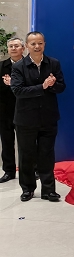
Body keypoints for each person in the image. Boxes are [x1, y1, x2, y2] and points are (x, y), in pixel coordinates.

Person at [11, 31, 66, 202]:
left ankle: (48, 190)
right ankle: (27, 189)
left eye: (40, 43)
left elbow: (62, 87)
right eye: (33, 43)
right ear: (26, 46)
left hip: (48, 117)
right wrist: (42, 87)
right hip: (25, 119)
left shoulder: (53, 63)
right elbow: (18, 91)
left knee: (47, 155)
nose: (37, 46)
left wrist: (53, 85)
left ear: (44, 44)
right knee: (26, 155)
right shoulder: (19, 66)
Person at [0, 37, 25, 183]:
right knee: (7, 142)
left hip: (24, 109)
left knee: (26, 143)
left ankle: (29, 170)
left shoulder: (29, 65)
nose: (13, 49)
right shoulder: (1, 66)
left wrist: (13, 83)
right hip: (5, 110)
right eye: (11, 46)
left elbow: (31, 85)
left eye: (16, 46)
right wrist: (7, 85)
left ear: (23, 48)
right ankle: (9, 171)